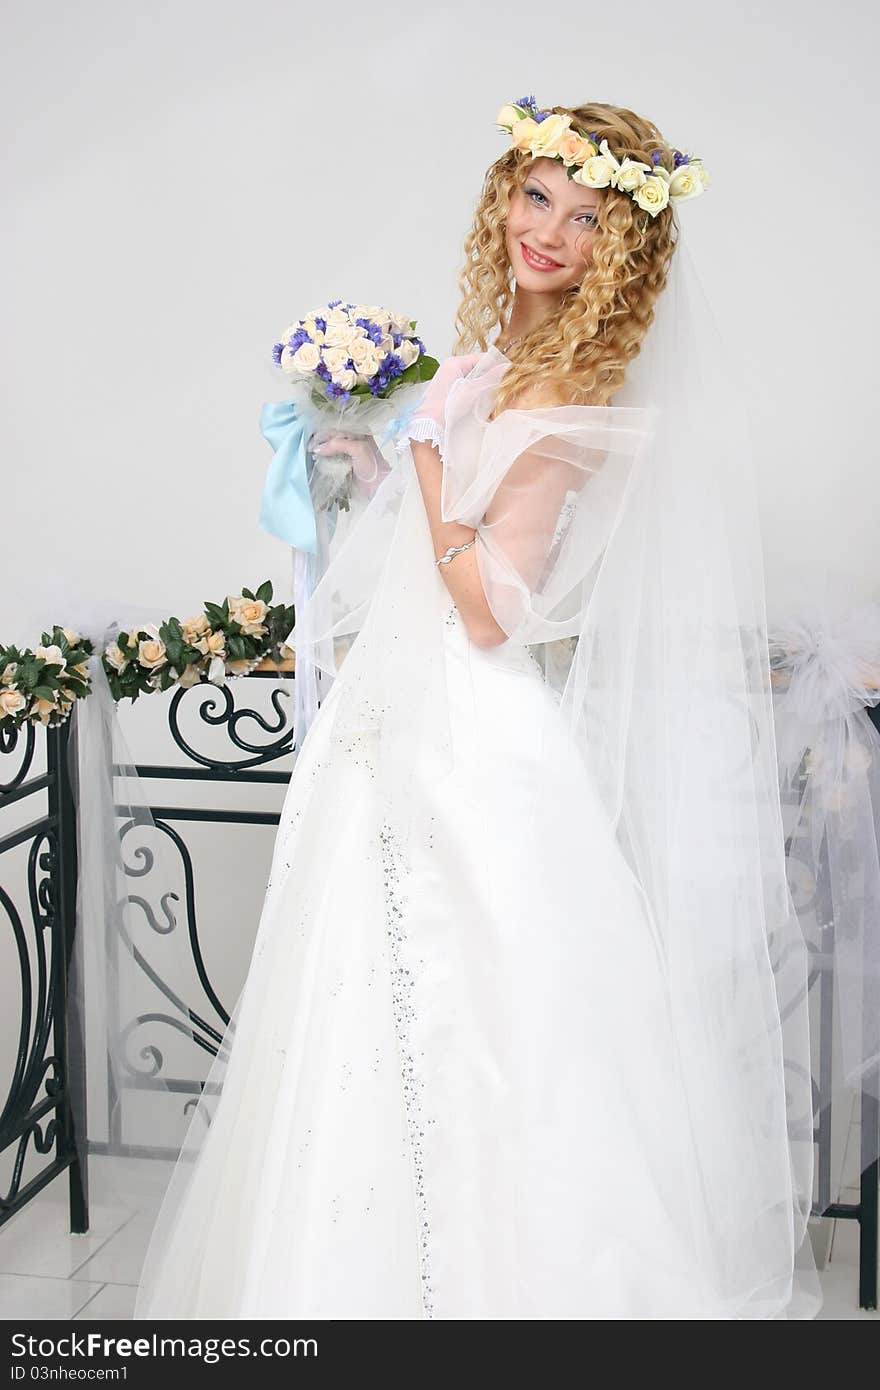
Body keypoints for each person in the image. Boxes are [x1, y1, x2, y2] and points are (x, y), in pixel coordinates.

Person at [131, 98, 821, 1320]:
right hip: (397, 719)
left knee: (490, 1008)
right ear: (504, 195)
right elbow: (426, 554)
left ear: (620, 252)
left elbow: (494, 611)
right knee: (358, 997)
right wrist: (373, 459)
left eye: (586, 217)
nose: (547, 231)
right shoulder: (495, 367)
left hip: (472, 734)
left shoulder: (568, 403)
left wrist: (432, 451)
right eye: (535, 195)